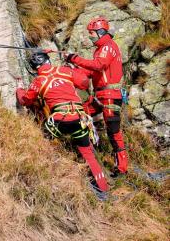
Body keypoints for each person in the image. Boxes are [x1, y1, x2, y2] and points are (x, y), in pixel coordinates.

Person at [16, 52, 109, 194]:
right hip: (79, 118)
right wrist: (73, 69)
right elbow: (84, 83)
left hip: (59, 120)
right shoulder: (65, 71)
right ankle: (103, 189)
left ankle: (53, 180)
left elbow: (25, 101)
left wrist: (19, 89)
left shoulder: (39, 81)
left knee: (42, 143)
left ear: (35, 68)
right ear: (48, 61)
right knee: (88, 153)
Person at [66, 16, 128, 177]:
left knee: (113, 130)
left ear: (100, 32)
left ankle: (121, 167)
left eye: (92, 33)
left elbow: (99, 65)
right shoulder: (102, 49)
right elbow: (94, 71)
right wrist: (73, 68)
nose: (90, 36)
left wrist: (76, 59)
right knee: (83, 114)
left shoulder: (107, 47)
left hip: (109, 95)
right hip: (102, 95)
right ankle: (86, 148)